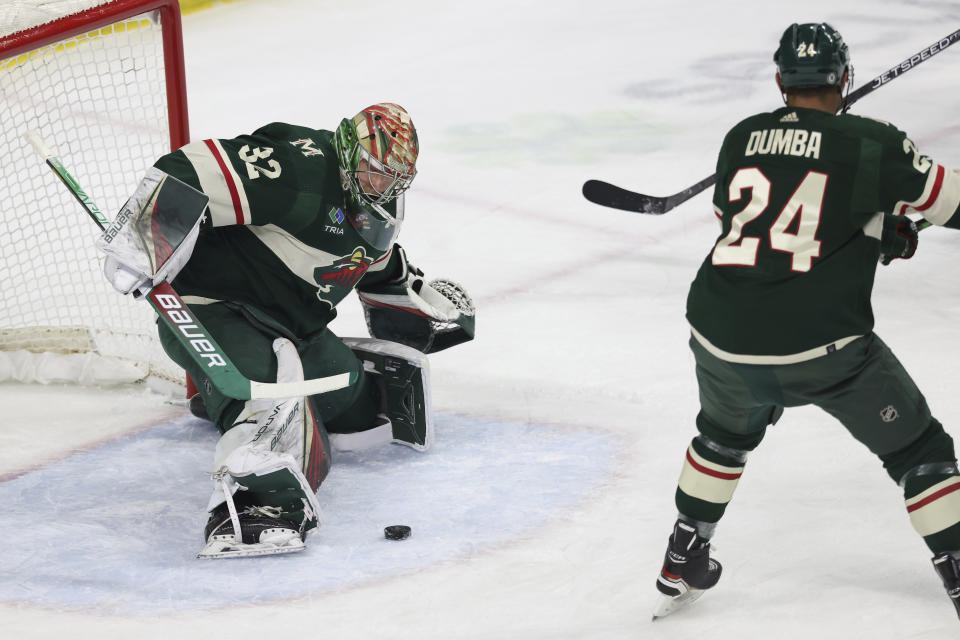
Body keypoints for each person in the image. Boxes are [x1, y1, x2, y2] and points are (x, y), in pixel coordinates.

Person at [653, 24, 960, 619]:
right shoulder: (873, 142)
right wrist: (885, 223)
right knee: (921, 452)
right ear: (843, 78)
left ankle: (684, 552)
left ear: (778, 82)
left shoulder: (742, 135)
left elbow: (752, 227)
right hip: (825, 349)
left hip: (720, 335)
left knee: (722, 436)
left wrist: (873, 230)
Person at [98, 103, 475, 558]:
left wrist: (411, 299)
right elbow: (187, 168)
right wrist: (146, 234)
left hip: (293, 325)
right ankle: (251, 500)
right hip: (212, 302)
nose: (382, 186)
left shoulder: (380, 202)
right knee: (267, 394)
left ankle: (215, 395)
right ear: (348, 148)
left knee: (353, 401)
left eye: (395, 178)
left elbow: (362, 259)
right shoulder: (298, 168)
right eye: (374, 171)